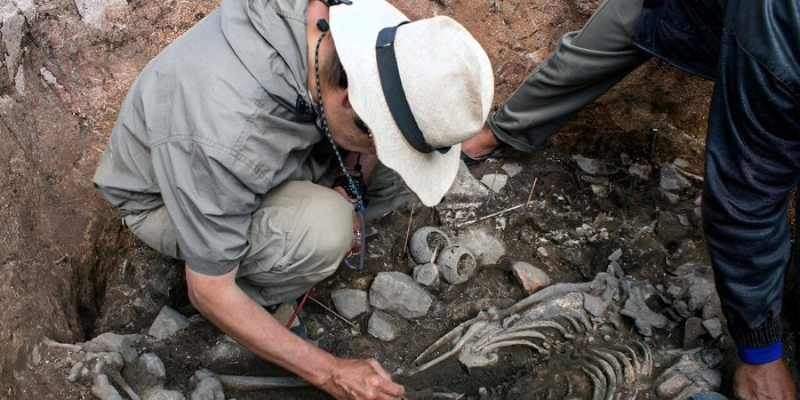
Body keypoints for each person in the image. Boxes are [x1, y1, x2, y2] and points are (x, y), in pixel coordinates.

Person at [93, 0, 494, 397]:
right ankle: (261, 295)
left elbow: (381, 113)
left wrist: (351, 186)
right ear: (351, 102)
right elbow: (209, 291)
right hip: (165, 197)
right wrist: (331, 373)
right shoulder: (225, 135)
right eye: (378, 137)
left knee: (396, 174)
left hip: (269, 150)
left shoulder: (363, 35)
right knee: (326, 230)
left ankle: (308, 221)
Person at [461, 0, 799, 398]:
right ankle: (492, 136)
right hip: (717, 22)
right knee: (584, 58)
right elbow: (746, 196)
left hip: (757, 43)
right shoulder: (782, 31)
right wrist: (759, 352)